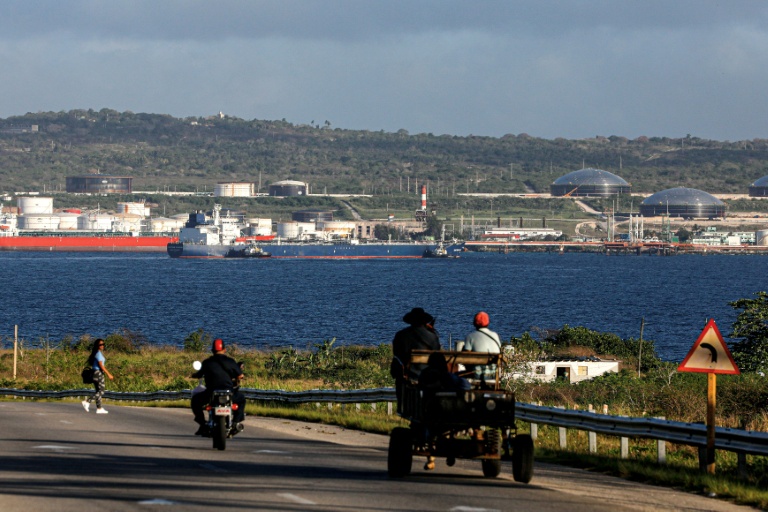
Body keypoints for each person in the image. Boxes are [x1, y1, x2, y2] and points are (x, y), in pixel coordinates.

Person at [190, 338, 246, 436]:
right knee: (241, 399)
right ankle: (236, 422)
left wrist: (194, 375)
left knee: (195, 400)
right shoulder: (230, 361)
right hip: (229, 392)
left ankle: (202, 424)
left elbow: (199, 374)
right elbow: (240, 375)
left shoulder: (207, 362)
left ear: (212, 350)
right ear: (224, 349)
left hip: (211, 393)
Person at [391, 307, 441, 403]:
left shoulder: (401, 335)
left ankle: (402, 403)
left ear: (411, 321)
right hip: (428, 375)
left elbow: (396, 354)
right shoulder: (433, 337)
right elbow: (437, 356)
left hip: (408, 375)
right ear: (424, 321)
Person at [459, 311, 502, 383]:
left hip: (477, 375)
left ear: (474, 323)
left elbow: (465, 358)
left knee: (455, 377)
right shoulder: (495, 335)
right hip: (495, 375)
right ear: (488, 322)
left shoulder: (470, 337)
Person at [82, 338, 114, 414]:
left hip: (95, 373)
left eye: (103, 344)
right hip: (98, 373)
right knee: (101, 391)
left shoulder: (97, 353)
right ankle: (87, 401)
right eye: (100, 344)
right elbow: (101, 366)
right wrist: (108, 374)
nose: (102, 346)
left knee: (98, 391)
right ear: (97, 345)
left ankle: (99, 408)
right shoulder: (98, 354)